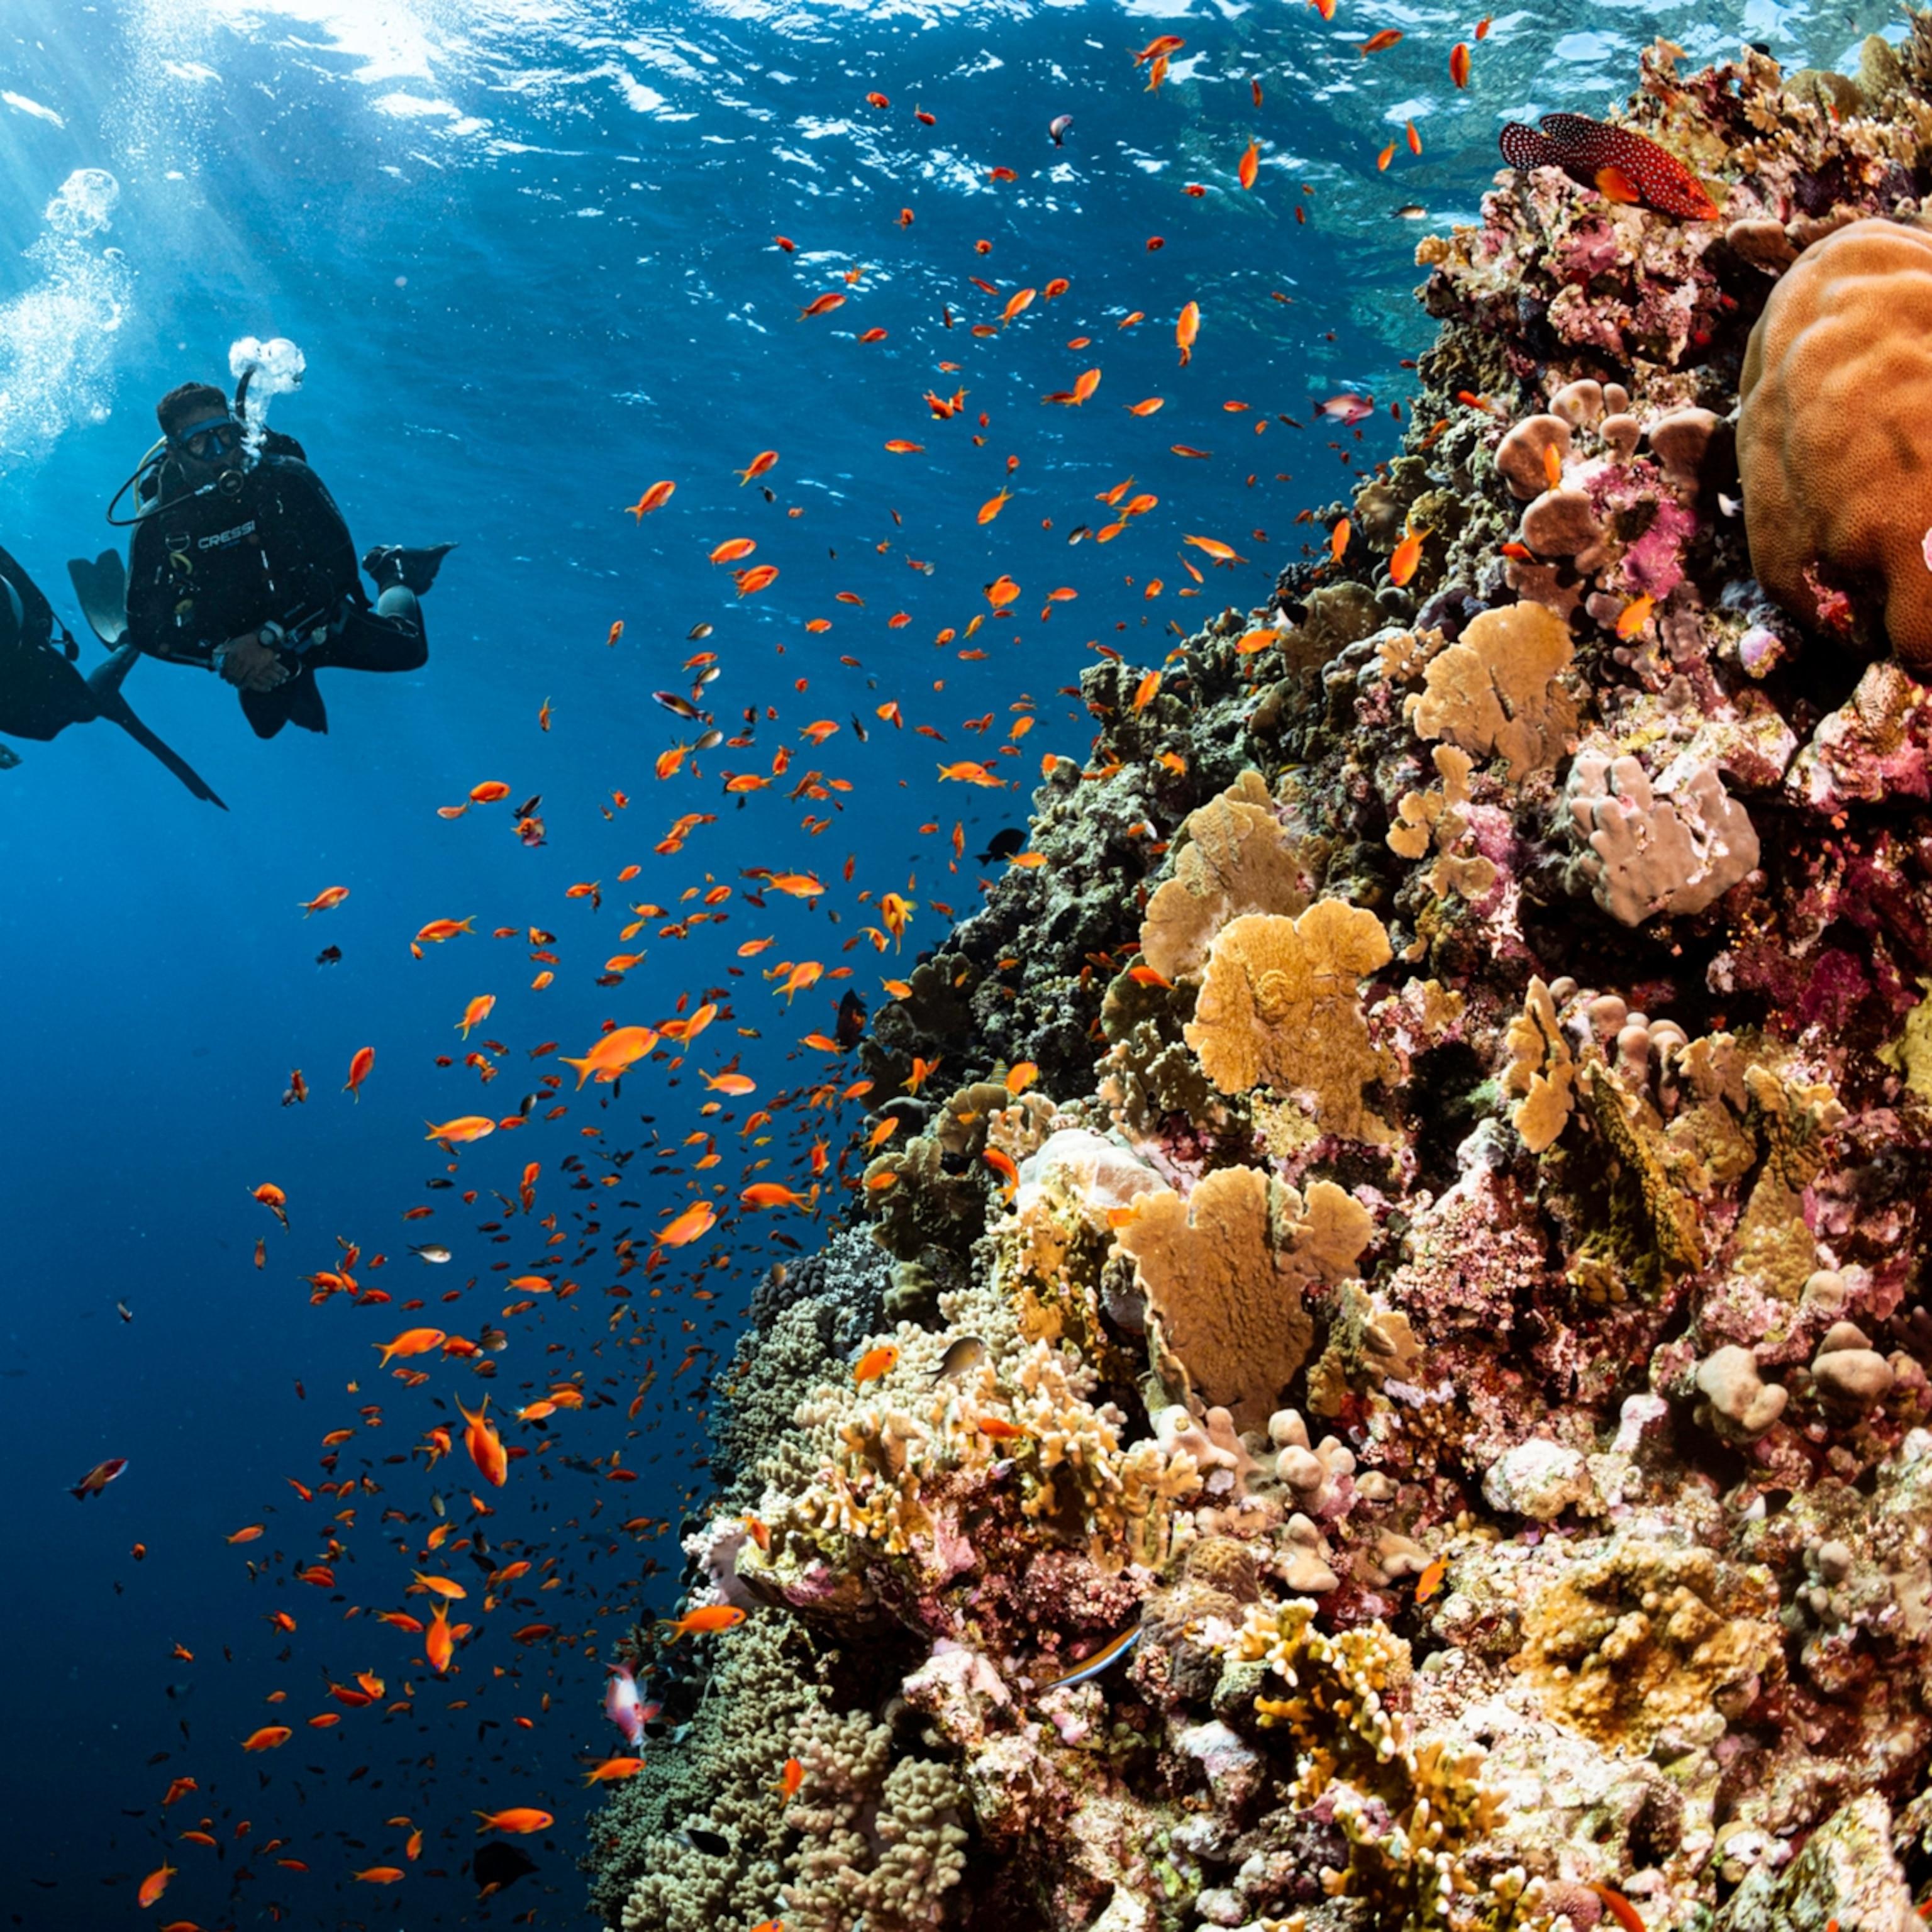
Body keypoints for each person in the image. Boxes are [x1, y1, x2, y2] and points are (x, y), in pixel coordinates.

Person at [123, 380, 452, 738]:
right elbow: (146, 631)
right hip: (240, 644)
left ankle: (391, 568)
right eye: (199, 443)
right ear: (174, 452)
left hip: (316, 616)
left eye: (225, 436)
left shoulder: (287, 478)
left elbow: (341, 571)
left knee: (410, 650)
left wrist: (267, 637)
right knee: (266, 727)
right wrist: (222, 657)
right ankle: (293, 673)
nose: (219, 453)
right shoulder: (157, 525)